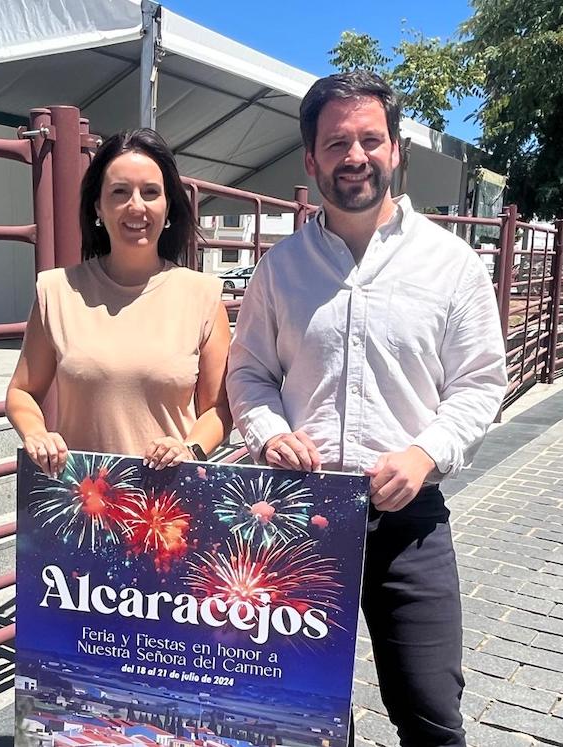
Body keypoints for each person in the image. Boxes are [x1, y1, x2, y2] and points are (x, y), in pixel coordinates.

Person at [226, 71, 507, 746]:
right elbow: (248, 372)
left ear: (396, 150)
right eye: (336, 142)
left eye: (369, 140)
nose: (355, 156)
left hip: (407, 523)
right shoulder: (281, 267)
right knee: (298, 714)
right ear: (311, 158)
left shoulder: (451, 263)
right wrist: (269, 434)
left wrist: (425, 452)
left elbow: (479, 384)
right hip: (299, 516)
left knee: (431, 711)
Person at [6, 129, 231, 477]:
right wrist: (36, 433)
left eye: (151, 192)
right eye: (120, 192)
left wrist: (189, 448)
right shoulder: (56, 290)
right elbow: (22, 392)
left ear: (168, 205)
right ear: (99, 206)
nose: (136, 206)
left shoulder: (203, 295)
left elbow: (218, 410)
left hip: (168, 505)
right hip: (83, 503)